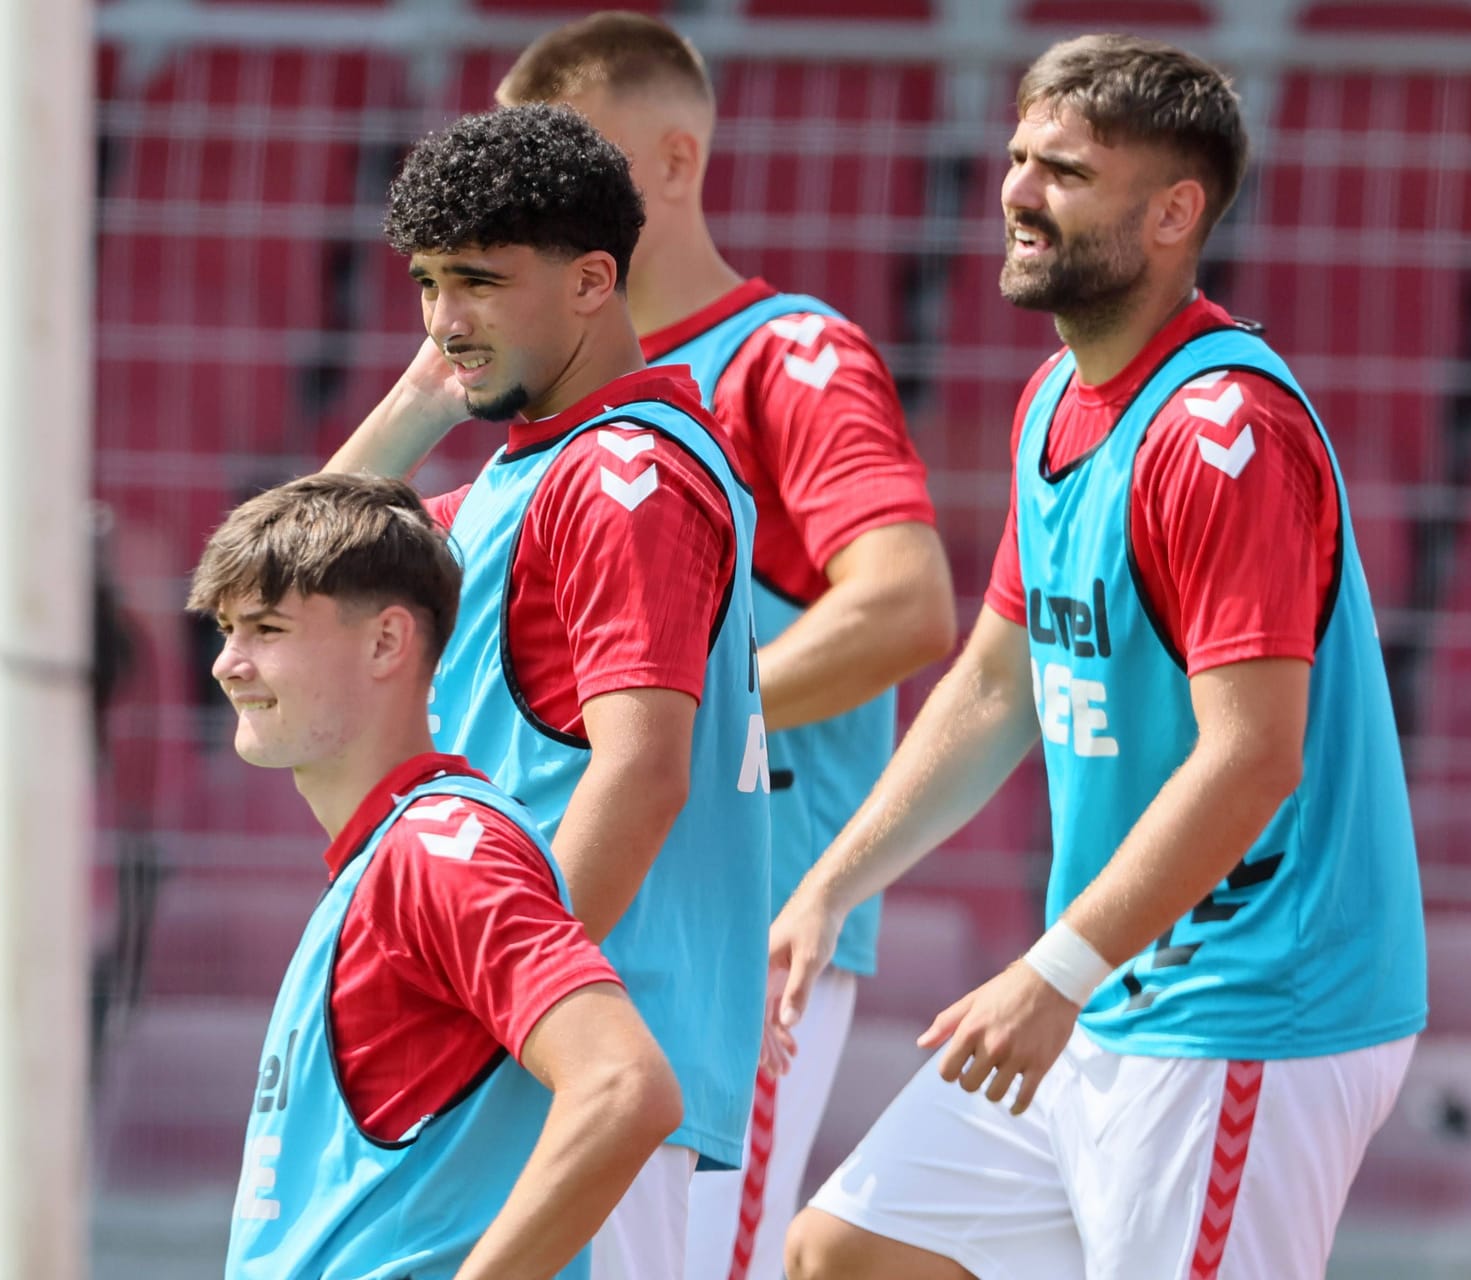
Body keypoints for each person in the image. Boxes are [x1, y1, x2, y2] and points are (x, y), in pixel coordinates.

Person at [770, 34, 1427, 1280]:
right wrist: (833, 884)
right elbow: (994, 683)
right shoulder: (1055, 398)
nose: (1018, 191)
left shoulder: (1222, 431)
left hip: (1249, 1007)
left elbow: (1254, 758)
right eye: (1018, 157)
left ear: (1175, 212)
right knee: (844, 1251)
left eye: (1063, 171)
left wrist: (1054, 970)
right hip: (1118, 985)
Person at [492, 17, 959, 1280]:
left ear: (676, 162)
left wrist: (659, 704)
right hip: (591, 916)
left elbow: (907, 603)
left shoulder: (786, 357)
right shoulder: (553, 403)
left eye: (570, 162)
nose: (537, 203)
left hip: (739, 932)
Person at [328, 104, 771, 1280]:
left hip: (581, 1059)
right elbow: (283, 588)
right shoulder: (530, 474)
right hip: (544, 1048)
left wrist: (515, 1009)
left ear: (590, 281)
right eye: (426, 285)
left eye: (477, 281)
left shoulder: (625, 477)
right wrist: (429, 396)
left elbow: (643, 765)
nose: (444, 318)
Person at [192, 473, 681, 1279]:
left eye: (266, 628)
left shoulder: (440, 850)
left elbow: (627, 1086)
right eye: (225, 629)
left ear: (388, 643)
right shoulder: (394, 853)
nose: (227, 664)